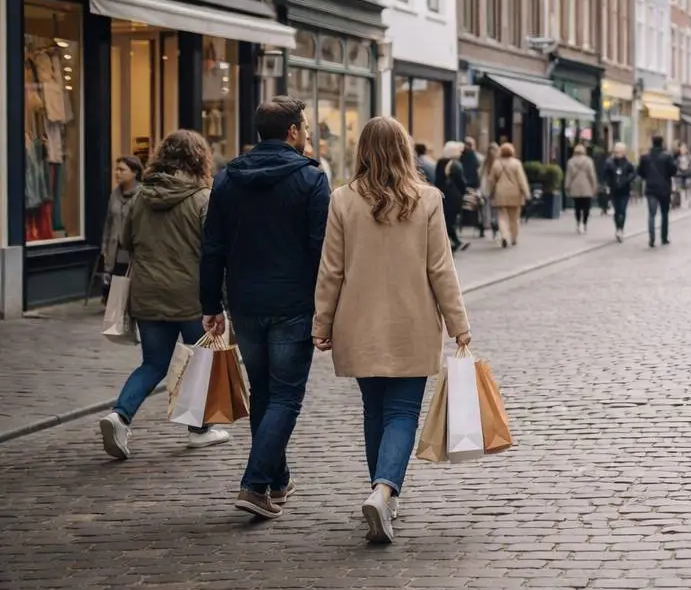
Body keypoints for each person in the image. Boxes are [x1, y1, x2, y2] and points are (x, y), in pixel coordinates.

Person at [313, 116, 470, 545]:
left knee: (374, 410)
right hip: (411, 324)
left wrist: (321, 323)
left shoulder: (342, 199)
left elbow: (331, 269)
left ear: (362, 151)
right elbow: (441, 269)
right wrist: (458, 324)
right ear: (404, 150)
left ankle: (381, 492)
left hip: (358, 324)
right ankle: (384, 492)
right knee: (401, 412)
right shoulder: (427, 199)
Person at [201, 96, 330, 520]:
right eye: (305, 127)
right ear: (292, 131)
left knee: (264, 392)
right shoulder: (311, 179)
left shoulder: (226, 179)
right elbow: (322, 251)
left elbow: (212, 247)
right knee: (286, 396)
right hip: (294, 304)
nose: (308, 133)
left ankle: (278, 479)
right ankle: (256, 484)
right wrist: (327, 307)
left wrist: (210, 303)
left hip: (246, 303)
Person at [98, 131, 231, 459]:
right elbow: (215, 249)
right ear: (199, 159)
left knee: (153, 363)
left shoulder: (140, 197)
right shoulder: (203, 198)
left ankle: (119, 415)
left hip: (147, 292)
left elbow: (126, 241)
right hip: (191, 296)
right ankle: (198, 429)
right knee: (201, 360)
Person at [99, 155, 143, 300]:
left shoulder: (142, 195)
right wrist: (104, 246)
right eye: (116, 169)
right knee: (113, 294)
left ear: (134, 172)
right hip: (114, 250)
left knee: (128, 293)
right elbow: (108, 221)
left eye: (122, 170)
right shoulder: (114, 194)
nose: (117, 173)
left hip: (132, 251)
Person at [483, 142, 531, 247]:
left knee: (502, 217)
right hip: (515, 193)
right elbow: (522, 181)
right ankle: (513, 238)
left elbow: (491, 180)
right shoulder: (516, 163)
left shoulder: (496, 163)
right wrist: (526, 193)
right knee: (514, 218)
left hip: (501, 193)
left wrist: (488, 191)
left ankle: (504, 235)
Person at [639, 136, 678, 247]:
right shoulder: (667, 157)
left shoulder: (645, 157)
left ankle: (651, 238)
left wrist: (648, 177)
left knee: (651, 214)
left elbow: (640, 172)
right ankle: (664, 238)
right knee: (664, 213)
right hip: (664, 188)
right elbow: (673, 171)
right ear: (662, 143)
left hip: (651, 188)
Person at [434, 141, 470, 252]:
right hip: (454, 196)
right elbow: (461, 182)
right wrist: (463, 193)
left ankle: (454, 242)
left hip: (443, 194)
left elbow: (437, 180)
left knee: (446, 220)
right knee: (451, 221)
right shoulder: (455, 165)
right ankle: (454, 242)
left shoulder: (440, 163)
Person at [602, 141, 637, 242]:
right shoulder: (610, 163)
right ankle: (618, 228)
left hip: (624, 190)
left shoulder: (628, 163)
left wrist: (626, 180)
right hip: (614, 190)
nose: (617, 154)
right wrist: (607, 183)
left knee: (622, 210)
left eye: (619, 152)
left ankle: (620, 229)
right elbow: (605, 175)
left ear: (624, 152)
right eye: (616, 152)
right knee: (617, 211)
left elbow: (633, 173)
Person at [565, 144, 599, 234]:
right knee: (586, 207)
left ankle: (578, 222)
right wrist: (594, 186)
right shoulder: (589, 161)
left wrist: (567, 186)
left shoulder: (570, 162)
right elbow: (592, 175)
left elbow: (569, 176)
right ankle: (584, 224)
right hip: (587, 186)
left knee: (577, 206)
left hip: (575, 186)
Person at [459, 136, 486, 239]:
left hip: (470, 185)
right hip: (471, 185)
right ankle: (480, 226)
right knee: (476, 206)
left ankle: (480, 226)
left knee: (475, 206)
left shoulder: (466, 157)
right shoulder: (476, 157)